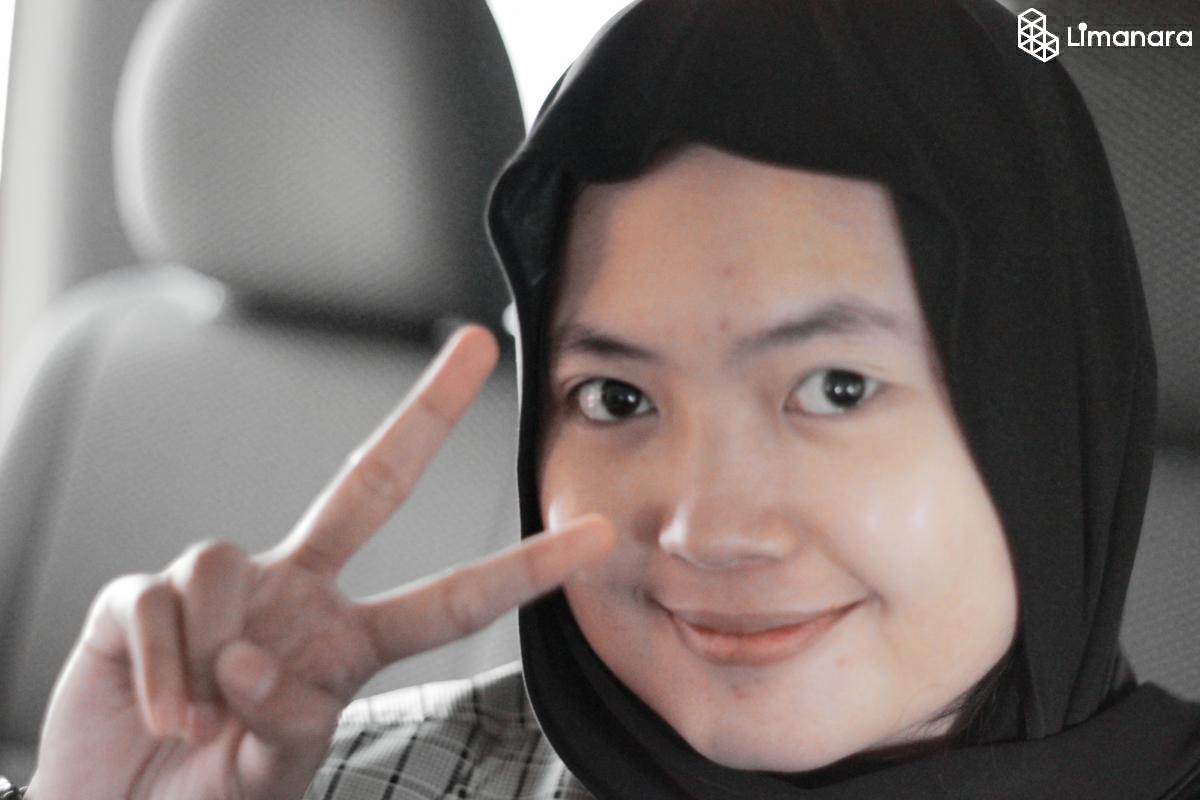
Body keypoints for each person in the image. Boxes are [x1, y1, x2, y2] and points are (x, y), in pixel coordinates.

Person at [18, 0, 1200, 798]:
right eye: (618, 396)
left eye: (834, 387)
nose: (705, 529)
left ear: (1051, 424)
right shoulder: (343, 780)